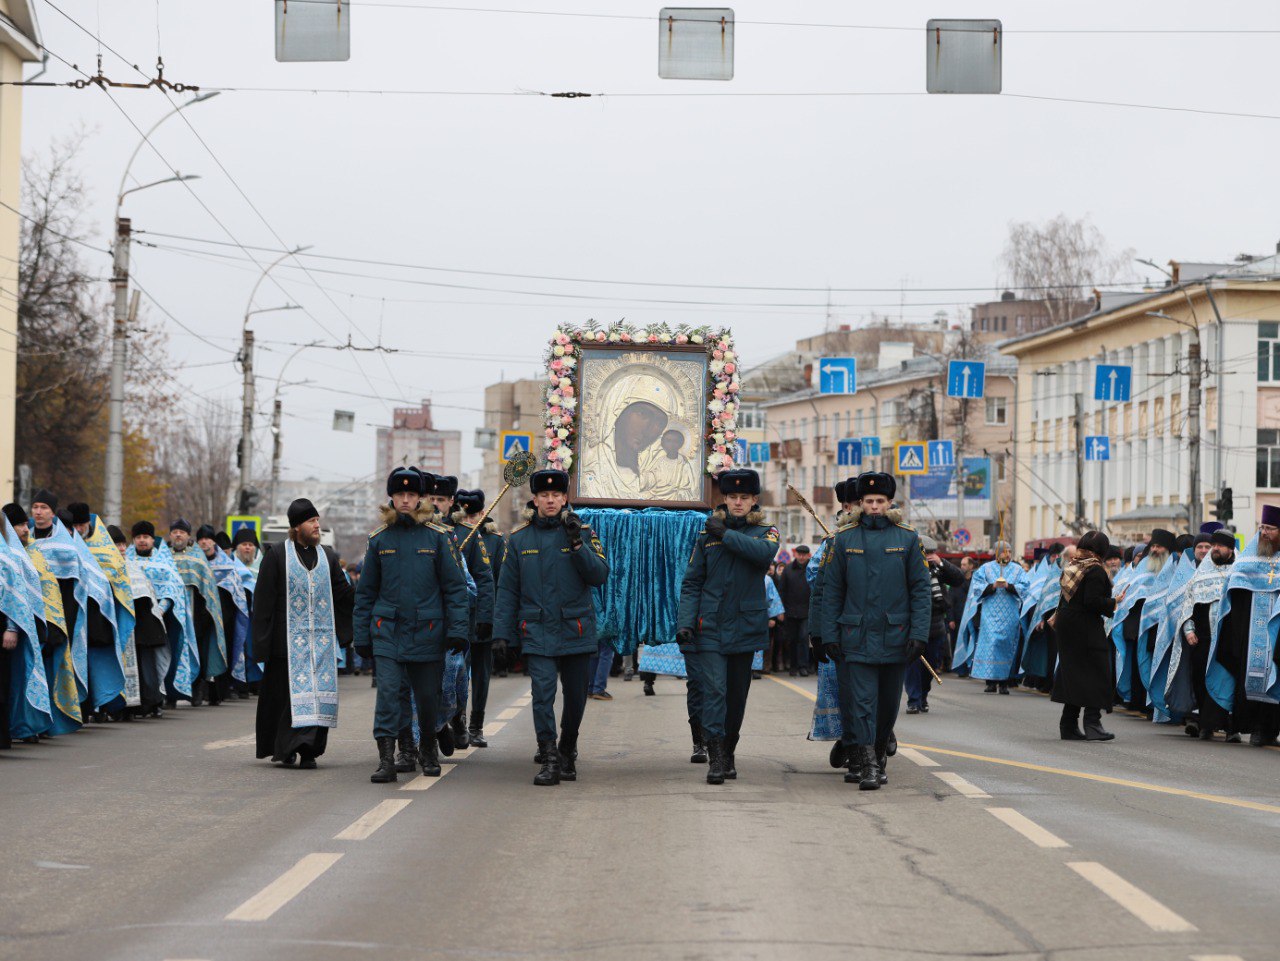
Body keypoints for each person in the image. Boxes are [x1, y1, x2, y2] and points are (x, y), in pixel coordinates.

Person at [494, 469, 610, 786]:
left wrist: (576, 545)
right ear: (535, 499)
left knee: (575, 698)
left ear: (565, 499)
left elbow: (599, 575)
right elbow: (507, 591)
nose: (550, 500)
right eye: (544, 495)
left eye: (556, 495)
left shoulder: (583, 532)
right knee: (542, 695)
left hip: (576, 629)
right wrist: (502, 635)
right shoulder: (519, 540)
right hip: (537, 631)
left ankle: (567, 747)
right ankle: (548, 757)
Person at [355, 470, 470, 782]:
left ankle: (428, 749)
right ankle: (387, 758)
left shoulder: (437, 537)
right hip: (388, 632)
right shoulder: (379, 540)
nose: (405, 500)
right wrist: (361, 635)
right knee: (389, 694)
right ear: (391, 497)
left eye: (411, 494)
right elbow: (365, 593)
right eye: (399, 494)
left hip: (428, 632)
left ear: (420, 497)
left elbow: (456, 589)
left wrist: (458, 629)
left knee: (427, 695)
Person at [819, 471, 930, 789]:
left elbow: (920, 591)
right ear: (861, 504)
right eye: (869, 501)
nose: (875, 506)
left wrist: (918, 633)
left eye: (880, 501)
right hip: (855, 637)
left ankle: (879, 755)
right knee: (862, 703)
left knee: (887, 707)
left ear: (890, 502)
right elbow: (832, 592)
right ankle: (868, 765)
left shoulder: (907, 539)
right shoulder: (845, 539)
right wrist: (829, 635)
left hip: (896, 638)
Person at [675, 469, 778, 785]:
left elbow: (762, 555)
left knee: (736, 696)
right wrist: (686, 622)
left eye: (744, 497)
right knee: (715, 691)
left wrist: (726, 536)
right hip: (713, 626)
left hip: (746, 626)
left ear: (753, 500)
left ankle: (729, 749)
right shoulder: (707, 536)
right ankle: (716, 755)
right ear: (724, 498)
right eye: (732, 497)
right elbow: (693, 582)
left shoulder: (765, 532)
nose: (737, 502)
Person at [253, 498, 355, 771]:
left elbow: (342, 594)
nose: (317, 526)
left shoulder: (328, 556)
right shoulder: (277, 555)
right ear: (297, 526)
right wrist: (261, 643)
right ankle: (286, 749)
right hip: (284, 644)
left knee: (318, 696)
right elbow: (263, 600)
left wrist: (369, 586)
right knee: (286, 701)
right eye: (311, 521)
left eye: (317, 521)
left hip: (320, 644)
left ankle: (309, 750)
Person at [429, 475, 494, 751]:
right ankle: (430, 730)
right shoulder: (420, 532)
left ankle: (458, 717)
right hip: (428, 621)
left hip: (459, 620)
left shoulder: (466, 533)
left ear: (451, 502)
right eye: (430, 499)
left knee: (456, 677)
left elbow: (483, 578)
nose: (435, 505)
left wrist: (483, 619)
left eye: (440, 500)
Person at [1208, 507, 1280, 747]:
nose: (1264, 532)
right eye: (1262, 528)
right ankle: (1255, 728)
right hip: (1250, 632)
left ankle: (1271, 729)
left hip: (1277, 634)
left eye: (1270, 528)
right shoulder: (1249, 558)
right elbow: (1234, 586)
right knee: (1249, 674)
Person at [1051, 531, 1123, 741]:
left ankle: (1068, 724)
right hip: (1084, 626)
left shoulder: (1073, 566)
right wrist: (1113, 602)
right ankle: (1093, 723)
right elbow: (1092, 601)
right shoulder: (1095, 570)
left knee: (1073, 674)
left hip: (1067, 625)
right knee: (1097, 672)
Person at [1166, 530, 1236, 740]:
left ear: (1231, 549)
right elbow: (1188, 606)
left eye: (1219, 545)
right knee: (1202, 679)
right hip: (1202, 637)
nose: (1214, 549)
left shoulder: (1238, 572)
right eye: (1213, 545)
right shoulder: (1200, 574)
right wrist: (1188, 631)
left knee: (1228, 679)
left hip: (1228, 637)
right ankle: (1206, 725)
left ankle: (1231, 727)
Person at [454, 488, 506, 741]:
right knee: (457, 672)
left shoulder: (495, 540)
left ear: (483, 513)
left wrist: (495, 622)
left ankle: (477, 726)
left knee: (482, 675)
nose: (469, 519)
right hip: (460, 617)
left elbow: (499, 582)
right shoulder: (453, 536)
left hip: (484, 616)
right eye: (465, 514)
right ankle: (459, 722)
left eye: (473, 514)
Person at [954, 541, 1028, 694]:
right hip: (990, 615)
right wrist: (993, 586)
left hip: (1010, 615)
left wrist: (1009, 586)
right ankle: (990, 682)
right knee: (990, 645)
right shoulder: (986, 568)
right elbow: (977, 586)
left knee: (1006, 646)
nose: (1007, 554)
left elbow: (1025, 587)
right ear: (997, 552)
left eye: (1009, 551)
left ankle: (1004, 683)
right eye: (1004, 551)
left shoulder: (1017, 569)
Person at [169, 519, 228, 707]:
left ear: (188, 536)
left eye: (182, 532)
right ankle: (170, 692)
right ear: (170, 535)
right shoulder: (163, 556)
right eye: (175, 531)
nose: (178, 535)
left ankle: (196, 688)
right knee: (171, 650)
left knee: (196, 650)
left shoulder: (197, 557)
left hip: (195, 612)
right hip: (170, 612)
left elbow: (207, 586)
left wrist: (205, 616)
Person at [904, 536, 965, 714]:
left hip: (936, 622)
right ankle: (913, 700)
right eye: (925, 553)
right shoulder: (908, 568)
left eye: (931, 553)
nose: (928, 556)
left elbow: (958, 579)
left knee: (931, 664)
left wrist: (942, 563)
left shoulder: (939, 569)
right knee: (912, 663)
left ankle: (923, 696)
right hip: (913, 622)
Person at [199, 524, 254, 700]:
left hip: (225, 617)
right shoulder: (196, 563)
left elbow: (237, 592)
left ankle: (221, 690)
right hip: (201, 616)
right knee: (203, 651)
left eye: (207, 538)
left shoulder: (227, 566)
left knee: (226, 650)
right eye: (201, 539)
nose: (204, 542)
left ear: (213, 542)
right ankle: (202, 690)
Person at [777, 544, 811, 677]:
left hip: (806, 611)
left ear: (808, 555)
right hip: (790, 611)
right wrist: (781, 610)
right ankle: (793, 666)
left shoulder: (812, 569)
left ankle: (803, 666)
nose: (801, 557)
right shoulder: (788, 570)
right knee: (792, 640)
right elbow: (782, 591)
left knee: (803, 638)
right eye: (799, 554)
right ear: (795, 554)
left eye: (804, 554)